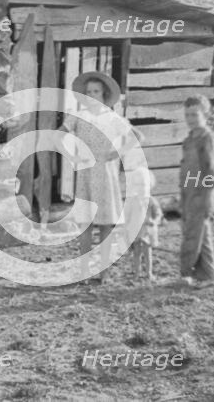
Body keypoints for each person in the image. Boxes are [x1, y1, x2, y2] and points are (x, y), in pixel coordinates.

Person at [60, 71, 132, 283]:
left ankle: (103, 273)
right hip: (85, 175)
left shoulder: (113, 118)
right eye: (88, 92)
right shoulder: (79, 115)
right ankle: (83, 272)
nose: (92, 95)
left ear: (104, 94)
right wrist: (71, 155)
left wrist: (116, 153)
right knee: (85, 224)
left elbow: (136, 137)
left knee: (106, 225)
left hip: (106, 175)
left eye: (96, 92)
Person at [179, 95, 214, 287]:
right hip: (189, 193)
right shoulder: (189, 139)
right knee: (201, 234)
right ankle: (209, 275)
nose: (190, 119)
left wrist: (206, 197)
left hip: (201, 194)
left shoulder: (206, 138)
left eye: (195, 114)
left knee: (192, 236)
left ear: (205, 114)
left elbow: (212, 170)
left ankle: (186, 274)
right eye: (187, 115)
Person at [120, 126, 163, 280]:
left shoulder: (151, 201)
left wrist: (154, 221)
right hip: (137, 232)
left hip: (148, 230)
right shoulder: (131, 201)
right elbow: (127, 216)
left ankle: (149, 272)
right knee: (137, 252)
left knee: (148, 252)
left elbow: (158, 214)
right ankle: (137, 272)